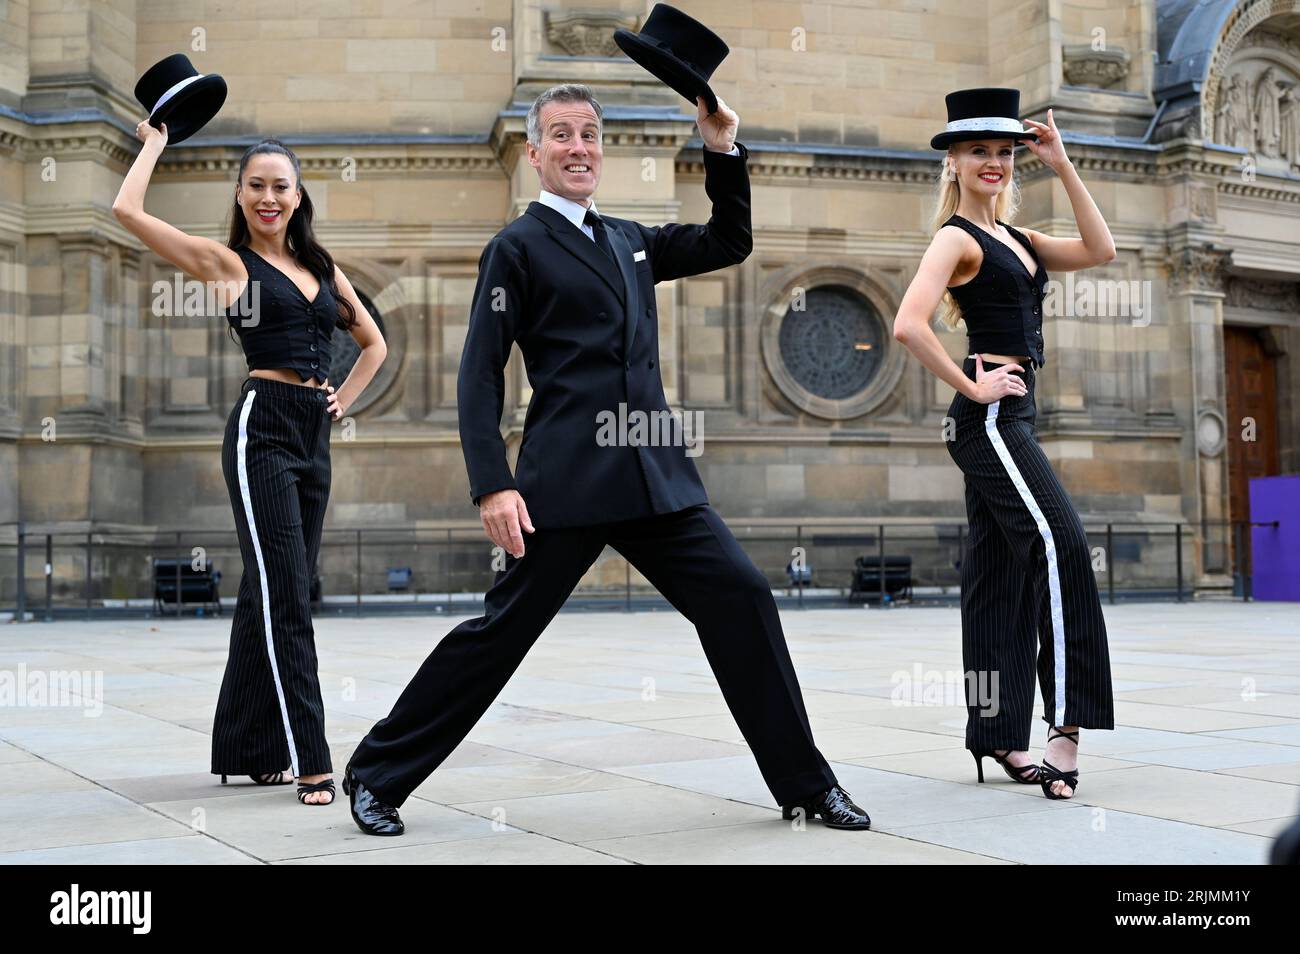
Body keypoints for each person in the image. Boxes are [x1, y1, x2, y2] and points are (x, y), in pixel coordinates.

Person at [342, 83, 870, 835]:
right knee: (499, 636)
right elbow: (480, 372)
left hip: (656, 474)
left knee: (744, 598)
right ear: (534, 153)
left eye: (590, 134)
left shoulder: (630, 240)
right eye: (561, 135)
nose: (579, 147)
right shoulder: (516, 247)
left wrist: (720, 147)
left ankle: (806, 784)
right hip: (567, 482)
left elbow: (729, 241)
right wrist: (493, 483)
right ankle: (377, 774)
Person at [112, 124, 387, 806]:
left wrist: (338, 404)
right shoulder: (229, 265)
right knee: (289, 594)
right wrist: (155, 140)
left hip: (310, 437)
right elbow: (127, 212)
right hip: (260, 428)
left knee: (269, 589)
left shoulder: (322, 268)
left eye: (280, 187)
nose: (269, 197)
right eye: (256, 186)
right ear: (239, 195)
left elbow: (372, 343)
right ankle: (312, 760)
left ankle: (248, 746)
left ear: (298, 196)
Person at [892, 88, 1116, 800]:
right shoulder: (956, 238)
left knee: (999, 574)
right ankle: (1067, 728)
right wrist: (972, 383)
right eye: (978, 152)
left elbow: (1101, 248)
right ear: (953, 162)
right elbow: (907, 323)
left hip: (1013, 417)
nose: (993, 163)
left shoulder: (1018, 241)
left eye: (1004, 152)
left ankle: (995, 733)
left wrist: (1061, 162)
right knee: (1060, 544)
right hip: (990, 418)